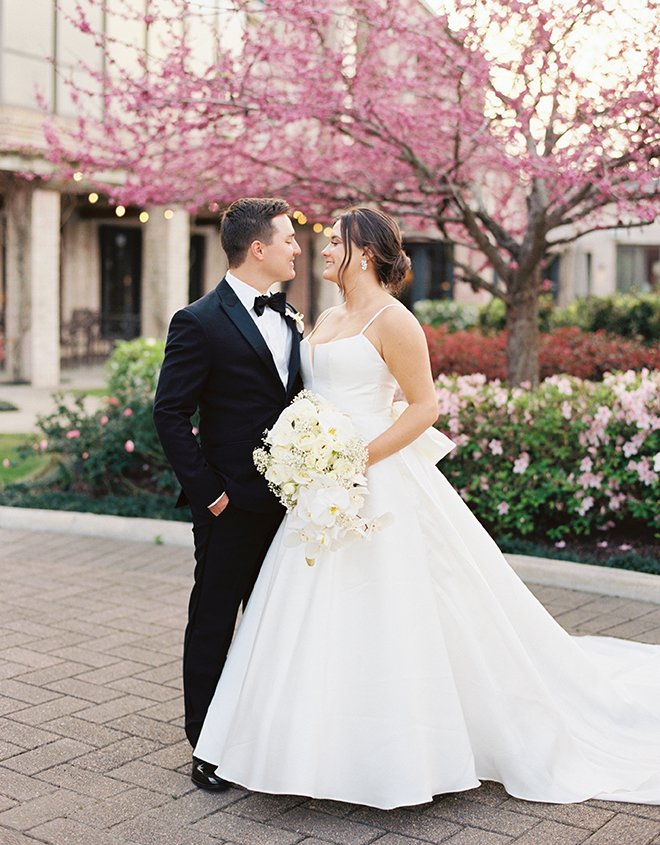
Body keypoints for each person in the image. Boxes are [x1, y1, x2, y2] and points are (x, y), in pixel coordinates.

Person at [193, 207, 660, 810]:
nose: (322, 249)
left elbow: (423, 408)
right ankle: (304, 741)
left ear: (364, 253)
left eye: (335, 241)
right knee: (306, 609)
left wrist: (355, 459)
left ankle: (400, 751)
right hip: (319, 488)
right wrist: (306, 453)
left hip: (374, 479)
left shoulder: (396, 321)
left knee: (392, 605)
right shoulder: (328, 316)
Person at [153, 197, 303, 791]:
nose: (298, 247)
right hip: (230, 504)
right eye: (288, 239)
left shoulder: (290, 317)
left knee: (275, 618)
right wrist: (210, 494)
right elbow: (170, 412)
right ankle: (205, 744)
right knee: (215, 621)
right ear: (258, 248)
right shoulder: (199, 320)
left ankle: (262, 730)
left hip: (289, 503)